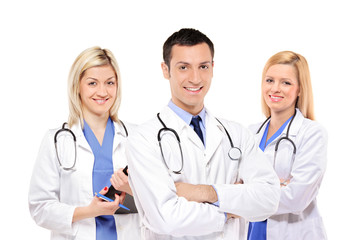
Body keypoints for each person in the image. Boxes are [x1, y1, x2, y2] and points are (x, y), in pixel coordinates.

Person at [126, 28, 280, 239]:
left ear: (212, 68)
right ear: (165, 69)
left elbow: (269, 199)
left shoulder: (236, 135)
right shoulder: (144, 139)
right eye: (183, 67)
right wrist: (232, 209)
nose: (195, 78)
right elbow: (167, 218)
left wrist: (204, 192)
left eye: (203, 67)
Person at [28, 46, 141, 239]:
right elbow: (40, 208)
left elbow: (160, 201)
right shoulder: (57, 141)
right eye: (92, 83)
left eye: (110, 82)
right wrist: (90, 211)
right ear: (77, 87)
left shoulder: (137, 137)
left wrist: (133, 190)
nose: (103, 91)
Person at [247, 51, 328, 240]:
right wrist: (279, 184)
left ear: (300, 89)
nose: (275, 88)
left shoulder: (312, 133)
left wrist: (248, 190)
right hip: (252, 233)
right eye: (269, 80)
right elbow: (231, 185)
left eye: (286, 82)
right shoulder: (250, 133)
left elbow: (296, 198)